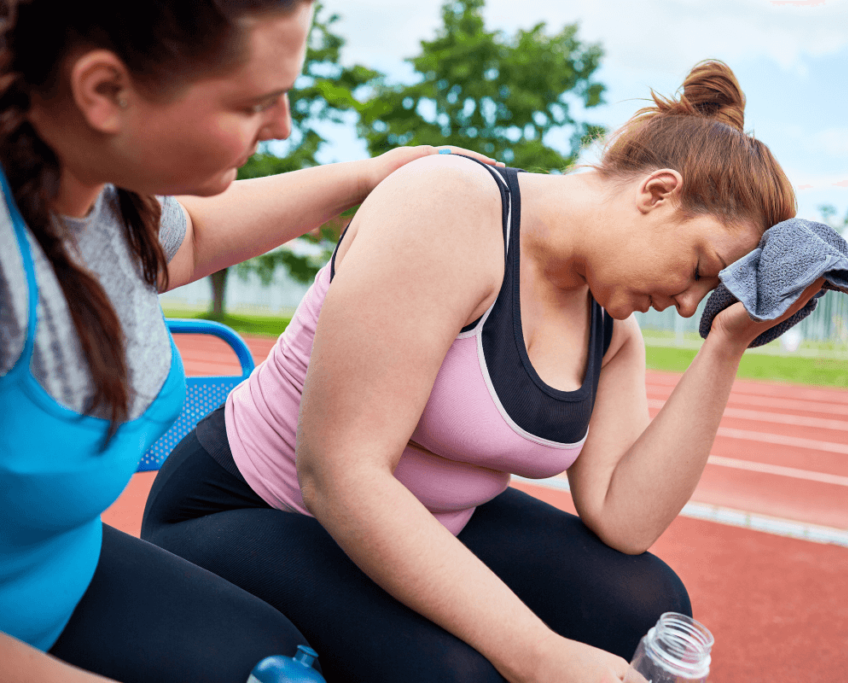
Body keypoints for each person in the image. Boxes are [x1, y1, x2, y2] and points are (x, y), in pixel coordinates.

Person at [141, 58, 823, 682]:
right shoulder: (450, 210)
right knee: (460, 672)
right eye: (698, 268)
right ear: (658, 192)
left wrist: (726, 344)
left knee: (647, 603)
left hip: (432, 518)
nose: (683, 302)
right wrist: (535, 650)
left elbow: (624, 519)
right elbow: (340, 474)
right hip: (253, 505)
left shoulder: (611, 324)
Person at [0, 1, 496, 681]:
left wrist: (367, 176)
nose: (283, 126)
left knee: (284, 662)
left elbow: (193, 235)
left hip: (64, 574)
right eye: (256, 101)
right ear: (104, 91)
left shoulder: (108, 199)